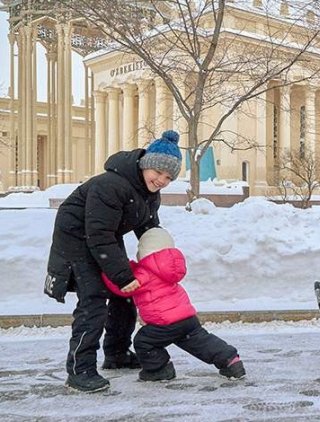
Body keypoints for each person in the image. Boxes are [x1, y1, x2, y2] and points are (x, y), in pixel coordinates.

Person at [45, 130, 183, 393]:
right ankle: (80, 369)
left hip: (104, 237)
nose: (162, 180)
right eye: (159, 173)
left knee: (125, 294)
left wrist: (163, 259)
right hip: (77, 237)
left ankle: (117, 353)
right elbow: (98, 234)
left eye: (169, 177)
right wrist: (122, 274)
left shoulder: (149, 192)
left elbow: (149, 229)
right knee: (94, 300)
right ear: (145, 164)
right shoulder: (110, 185)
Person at [102, 227, 246, 382]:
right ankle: (230, 360)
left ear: (144, 251)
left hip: (164, 323)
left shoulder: (144, 272)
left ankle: (159, 370)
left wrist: (107, 271)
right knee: (201, 341)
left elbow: (123, 288)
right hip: (186, 318)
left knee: (144, 341)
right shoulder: (167, 268)